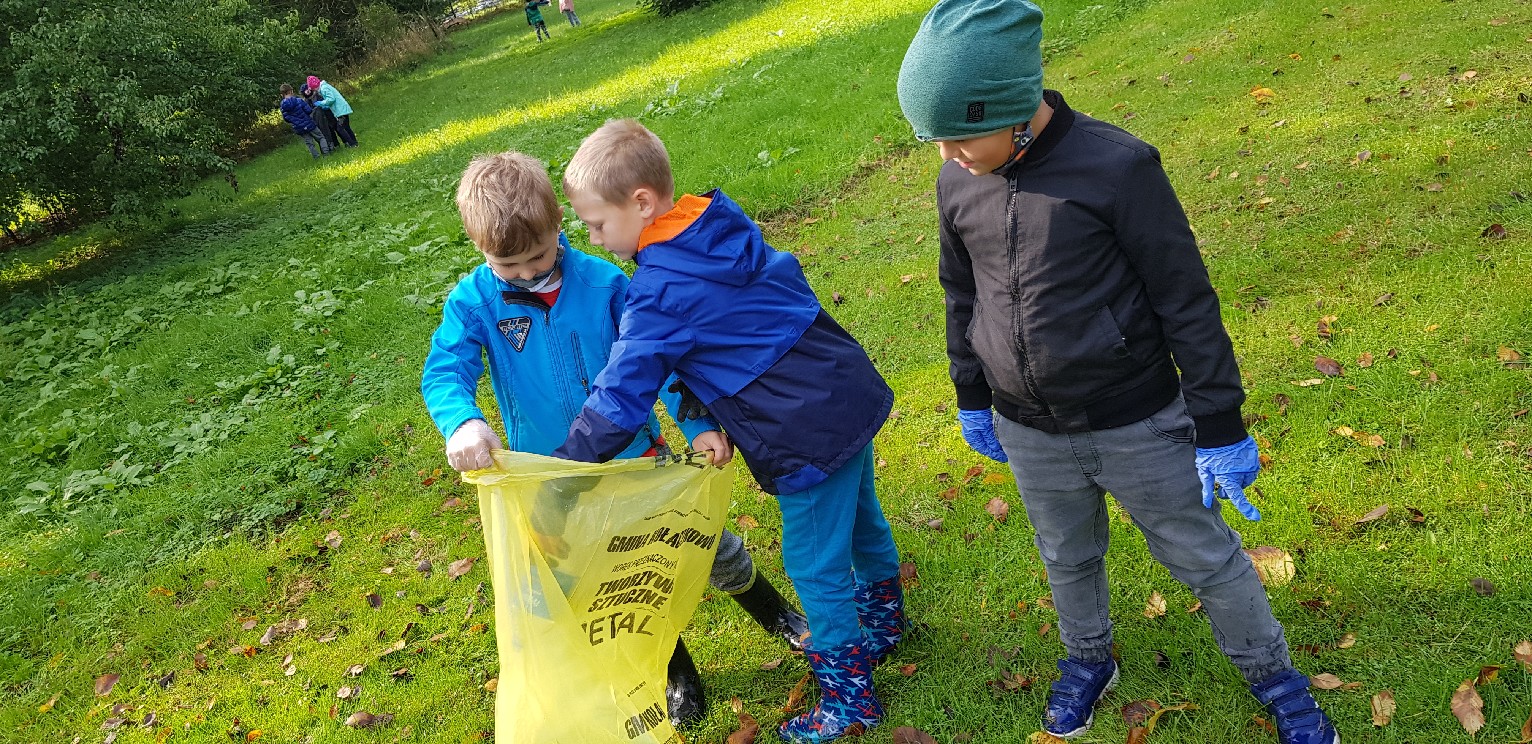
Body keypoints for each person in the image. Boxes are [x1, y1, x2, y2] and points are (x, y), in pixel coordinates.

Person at [895, 2, 1339, 744]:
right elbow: (961, 292)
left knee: (1203, 555)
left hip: (1137, 422)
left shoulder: (1118, 168)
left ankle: (1273, 675)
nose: (947, 154)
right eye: (932, 138)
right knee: (1066, 555)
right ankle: (1088, 658)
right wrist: (973, 392)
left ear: (1011, 110)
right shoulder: (958, 181)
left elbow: (1185, 300)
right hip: (1029, 428)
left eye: (958, 135)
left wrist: (1220, 425)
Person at [420, 151, 810, 731]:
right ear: (479, 249)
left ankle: (776, 614)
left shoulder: (605, 285)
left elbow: (661, 361)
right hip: (550, 478)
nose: (525, 273)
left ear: (559, 223)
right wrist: (462, 421)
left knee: (702, 546)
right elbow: (445, 371)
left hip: (637, 460)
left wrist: (698, 424)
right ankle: (676, 673)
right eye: (508, 264)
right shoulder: (474, 302)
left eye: (537, 256)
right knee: (618, 583)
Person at [550, 119, 905, 743]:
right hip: (842, 391)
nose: (593, 238)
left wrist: (566, 467)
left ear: (641, 203)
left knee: (814, 561)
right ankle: (884, 621)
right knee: (860, 518)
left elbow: (621, 393)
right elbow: (734, 329)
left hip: (800, 429)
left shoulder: (660, 291)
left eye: (597, 224)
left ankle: (849, 698)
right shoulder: (715, 227)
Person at [277, 83, 327, 159]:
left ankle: (316, 157)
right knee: (320, 137)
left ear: (282, 94)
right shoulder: (299, 101)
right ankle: (326, 154)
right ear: (291, 91)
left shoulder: (283, 107)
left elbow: (286, 119)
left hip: (299, 127)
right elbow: (309, 110)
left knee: (309, 143)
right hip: (309, 123)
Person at [307, 75, 357, 148]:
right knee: (346, 127)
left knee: (340, 128)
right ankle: (354, 143)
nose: (314, 91)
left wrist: (321, 103)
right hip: (341, 109)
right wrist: (326, 105)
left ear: (314, 87)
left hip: (340, 110)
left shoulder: (324, 88)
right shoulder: (325, 87)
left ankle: (352, 144)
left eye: (313, 89)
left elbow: (331, 99)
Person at [300, 82, 338, 155]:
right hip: (315, 120)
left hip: (325, 116)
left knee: (329, 131)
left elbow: (325, 103)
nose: (308, 91)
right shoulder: (305, 101)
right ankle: (326, 150)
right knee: (321, 135)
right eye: (306, 90)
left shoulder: (317, 95)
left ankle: (333, 146)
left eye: (308, 89)